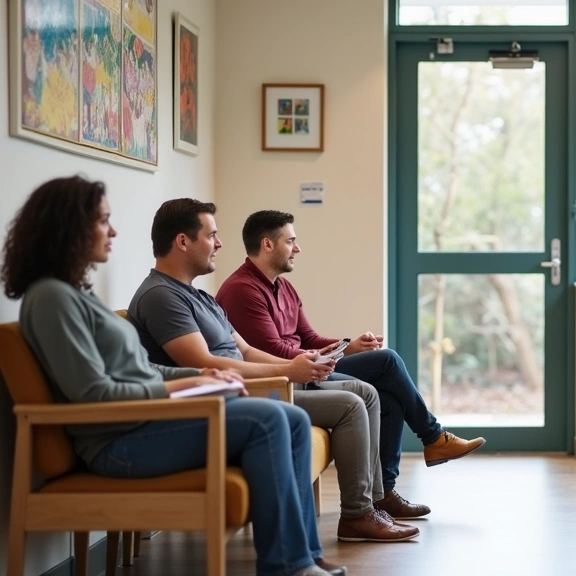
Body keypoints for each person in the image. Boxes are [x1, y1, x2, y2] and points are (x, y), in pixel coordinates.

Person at [0, 176, 346, 576]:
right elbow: (92, 393)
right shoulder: (51, 298)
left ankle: (302, 557)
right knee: (267, 420)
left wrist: (201, 375)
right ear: (68, 227)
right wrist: (186, 383)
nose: (113, 232)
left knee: (294, 419)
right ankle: (287, 566)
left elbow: (138, 368)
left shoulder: (74, 294)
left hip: (143, 424)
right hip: (117, 441)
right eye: (103, 221)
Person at [127, 199, 417, 542]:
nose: (219, 243)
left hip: (252, 386)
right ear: (182, 241)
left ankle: (372, 505)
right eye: (212, 235)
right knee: (352, 404)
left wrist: (294, 366)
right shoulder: (161, 296)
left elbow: (246, 350)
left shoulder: (199, 296)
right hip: (228, 398)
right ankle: (358, 515)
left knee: (366, 394)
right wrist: (289, 371)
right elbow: (203, 364)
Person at [215, 210, 487, 519]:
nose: (297, 248)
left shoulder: (285, 287)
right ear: (267, 245)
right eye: (290, 241)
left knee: (389, 400)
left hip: (308, 367)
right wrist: (331, 356)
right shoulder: (242, 290)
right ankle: (433, 437)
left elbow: (308, 337)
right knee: (387, 360)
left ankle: (384, 492)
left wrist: (348, 345)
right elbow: (272, 351)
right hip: (286, 378)